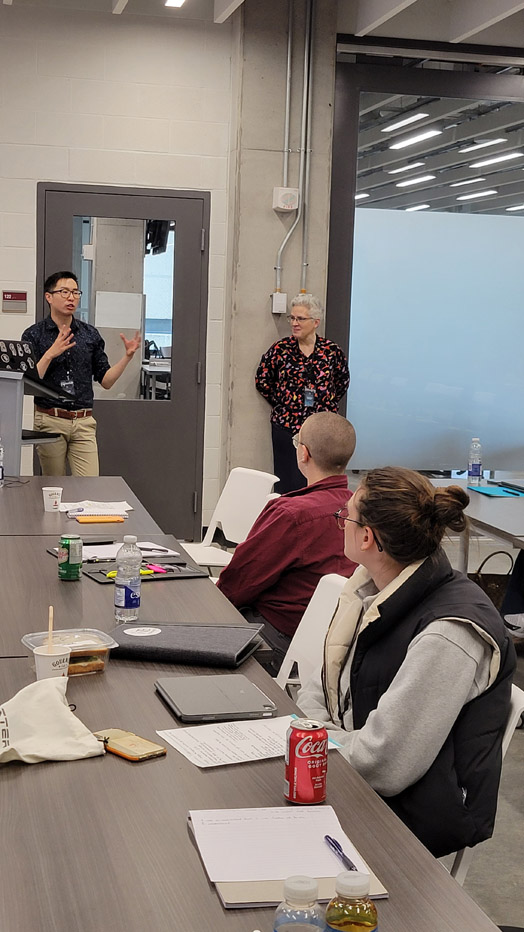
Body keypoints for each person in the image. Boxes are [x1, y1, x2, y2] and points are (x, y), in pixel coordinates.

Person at [297, 466, 516, 858]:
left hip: (411, 817)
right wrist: (313, 735)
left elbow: (384, 765)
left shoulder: (448, 633)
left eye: (345, 516)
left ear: (367, 537)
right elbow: (320, 688)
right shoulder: (375, 590)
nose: (340, 522)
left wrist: (311, 741)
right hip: (353, 778)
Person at [217, 412, 358, 675]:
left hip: (279, 639)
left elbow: (240, 581)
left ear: (303, 453)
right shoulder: (361, 510)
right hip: (336, 644)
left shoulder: (291, 514)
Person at [22, 271, 141, 476]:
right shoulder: (34, 334)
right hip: (50, 419)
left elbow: (106, 381)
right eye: (64, 292)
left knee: (90, 485)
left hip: (83, 421)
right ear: (49, 296)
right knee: (54, 486)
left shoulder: (90, 334)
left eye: (76, 292)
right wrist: (51, 353)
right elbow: (29, 381)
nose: (71, 297)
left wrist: (127, 357)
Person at [255, 294, 349, 494]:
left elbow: (342, 382)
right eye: (292, 318)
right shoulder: (281, 349)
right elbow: (263, 380)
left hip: (322, 431)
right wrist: (283, 403)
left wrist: (325, 404)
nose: (294, 323)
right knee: (288, 485)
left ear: (316, 322)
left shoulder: (331, 352)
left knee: (319, 485)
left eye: (300, 319)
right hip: (287, 427)